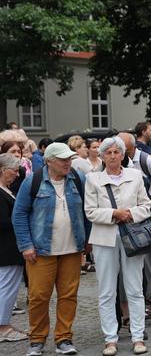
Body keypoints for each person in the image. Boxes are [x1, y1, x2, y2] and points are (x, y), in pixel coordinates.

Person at [12, 142, 88, 356]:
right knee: (38, 296)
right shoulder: (33, 181)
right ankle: (36, 340)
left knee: (68, 295)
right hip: (41, 250)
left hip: (72, 249)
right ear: (49, 161)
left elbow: (87, 211)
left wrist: (88, 240)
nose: (68, 163)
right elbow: (19, 215)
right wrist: (26, 245)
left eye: (69, 159)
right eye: (63, 159)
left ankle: (64, 338)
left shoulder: (78, 178)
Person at [84, 137, 151, 356]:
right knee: (106, 290)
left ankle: (138, 336)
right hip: (105, 238)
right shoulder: (93, 179)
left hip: (132, 236)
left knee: (135, 288)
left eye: (116, 152)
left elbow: (146, 206)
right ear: (102, 156)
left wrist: (129, 214)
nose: (113, 155)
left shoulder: (135, 176)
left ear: (123, 154)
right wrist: (114, 213)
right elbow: (90, 211)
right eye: (108, 152)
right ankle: (110, 338)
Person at [117, 132, 151, 326]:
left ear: (129, 148)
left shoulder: (143, 160)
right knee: (126, 267)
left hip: (142, 218)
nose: (116, 153)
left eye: (120, 149)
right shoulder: (110, 167)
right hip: (125, 220)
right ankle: (131, 313)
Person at [0, 153, 28, 342]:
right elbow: (3, 222)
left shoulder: (6, 190)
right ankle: (3, 327)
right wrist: (22, 221)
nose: (17, 174)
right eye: (14, 170)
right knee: (7, 288)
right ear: (3, 170)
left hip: (9, 248)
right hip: (7, 249)